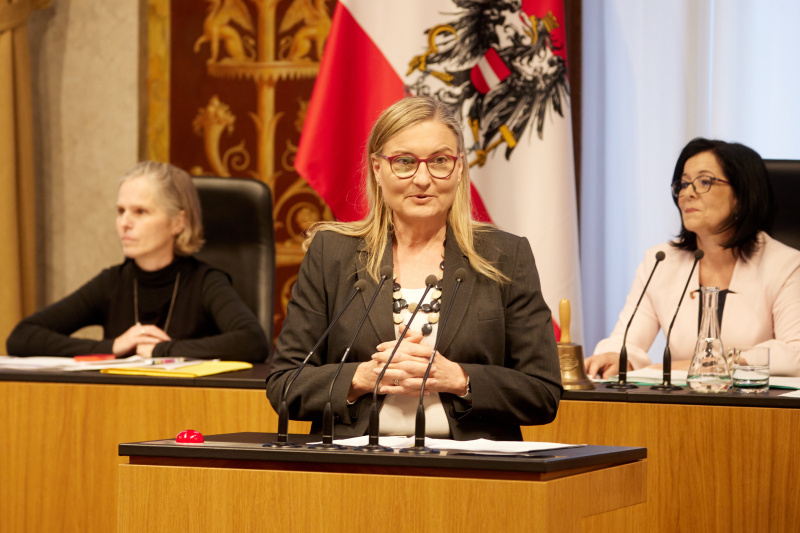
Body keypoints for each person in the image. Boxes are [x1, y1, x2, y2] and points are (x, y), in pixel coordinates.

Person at [266, 96, 562, 440]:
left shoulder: (505, 255)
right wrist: (362, 378)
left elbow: (543, 392)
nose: (422, 179)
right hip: (356, 461)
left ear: (459, 167)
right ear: (378, 169)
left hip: (472, 464)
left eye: (439, 161)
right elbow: (284, 384)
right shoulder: (332, 254)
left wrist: (459, 379)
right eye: (404, 162)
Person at [6, 161, 269, 362]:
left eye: (140, 212)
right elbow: (22, 337)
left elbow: (252, 341)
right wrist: (112, 346)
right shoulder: (112, 283)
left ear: (178, 222)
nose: (124, 223)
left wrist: (160, 350)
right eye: (121, 211)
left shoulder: (205, 282)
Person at [585, 138, 800, 378]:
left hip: (757, 400)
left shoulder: (786, 265)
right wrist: (614, 356)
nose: (687, 193)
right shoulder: (661, 262)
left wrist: (717, 363)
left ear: (742, 195)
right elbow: (627, 340)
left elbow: (795, 352)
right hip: (682, 400)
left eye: (704, 182)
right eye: (684, 184)